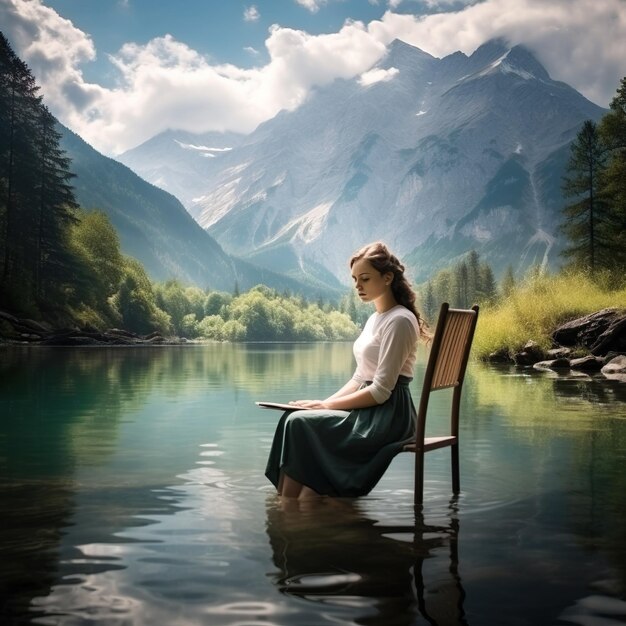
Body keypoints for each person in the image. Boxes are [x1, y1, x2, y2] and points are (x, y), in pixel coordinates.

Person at [265, 241, 427, 499]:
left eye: (365, 278)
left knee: (298, 425)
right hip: (370, 407)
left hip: (388, 415)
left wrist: (328, 408)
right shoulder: (376, 318)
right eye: (354, 280)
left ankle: (287, 510)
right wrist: (321, 403)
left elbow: (382, 391)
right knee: (292, 418)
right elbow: (359, 377)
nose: (358, 287)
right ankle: (293, 502)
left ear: (387, 278)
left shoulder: (400, 320)